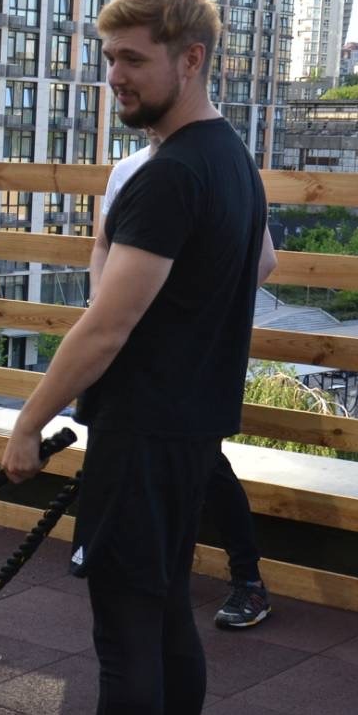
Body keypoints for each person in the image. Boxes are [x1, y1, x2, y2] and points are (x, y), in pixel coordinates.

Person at [2, 0, 266, 715]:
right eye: (109, 58)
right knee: (167, 622)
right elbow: (258, 266)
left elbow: (106, 324)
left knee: (127, 644)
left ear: (190, 60)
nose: (114, 75)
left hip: (143, 434)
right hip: (191, 433)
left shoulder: (169, 175)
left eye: (132, 59)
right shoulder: (232, 159)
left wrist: (27, 422)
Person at [92, 139, 277, 629]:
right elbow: (103, 247)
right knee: (150, 456)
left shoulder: (214, 165)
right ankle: (160, 567)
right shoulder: (132, 169)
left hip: (186, 353)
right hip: (135, 346)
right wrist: (105, 314)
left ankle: (248, 580)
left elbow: (263, 259)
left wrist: (200, 313)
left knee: (204, 461)